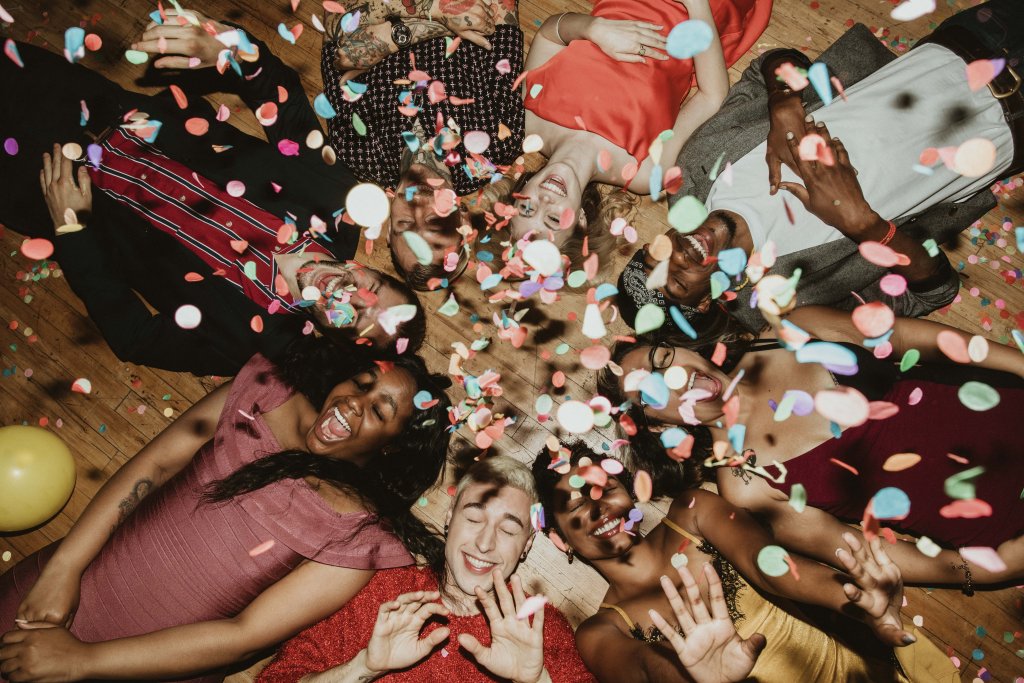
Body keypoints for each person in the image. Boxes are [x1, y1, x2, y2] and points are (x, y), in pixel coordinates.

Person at [0, 336, 452, 682]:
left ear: (393, 447)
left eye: (379, 410)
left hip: (143, 670)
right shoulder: (264, 392)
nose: (355, 401)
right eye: (361, 382)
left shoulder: (361, 539)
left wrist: (83, 661)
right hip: (56, 592)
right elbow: (155, 466)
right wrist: (64, 569)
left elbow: (244, 636)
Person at [1, 23, 423, 377]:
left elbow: (136, 339)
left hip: (38, 188)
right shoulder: (333, 197)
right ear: (366, 268)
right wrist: (235, 50)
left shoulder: (247, 346)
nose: (351, 296)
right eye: (372, 288)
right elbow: (286, 104)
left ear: (337, 339)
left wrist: (74, 230)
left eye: (358, 320)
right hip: (91, 105)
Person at [618, 0, 1024, 337]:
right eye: (675, 282)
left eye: (658, 255)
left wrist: (782, 100)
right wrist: (868, 228)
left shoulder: (696, 163)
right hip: (1014, 135)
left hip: (973, 41)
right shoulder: (794, 300)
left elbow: (773, 65)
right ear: (703, 301)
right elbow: (935, 293)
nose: (678, 256)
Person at [599, 305, 1024, 589]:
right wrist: (986, 570)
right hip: (1006, 518)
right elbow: (863, 551)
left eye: (660, 359)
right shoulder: (745, 487)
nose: (674, 378)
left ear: (676, 345)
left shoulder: (790, 329)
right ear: (657, 426)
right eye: (650, 393)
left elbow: (924, 339)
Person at [531, 442, 961, 683]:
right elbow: (644, 669)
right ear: (561, 539)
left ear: (629, 491)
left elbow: (772, 567)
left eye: (602, 489)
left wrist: (853, 598)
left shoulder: (692, 509)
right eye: (573, 509)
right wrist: (693, 675)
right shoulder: (600, 631)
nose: (597, 509)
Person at [255, 456, 594, 682]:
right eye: (474, 518)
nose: (485, 543)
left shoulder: (541, 626)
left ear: (528, 545)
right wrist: (362, 667)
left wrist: (537, 680)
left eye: (507, 530)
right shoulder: (383, 590)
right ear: (449, 519)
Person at [495, 0, 772, 270]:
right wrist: (695, 4)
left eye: (527, 209)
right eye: (554, 219)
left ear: (520, 191)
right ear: (580, 220)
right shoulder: (641, 174)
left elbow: (549, 34)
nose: (544, 202)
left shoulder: (530, 121)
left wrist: (593, 28)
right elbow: (712, 97)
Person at [321, 0, 524, 289]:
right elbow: (500, 13)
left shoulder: (357, 152)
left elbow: (336, 24)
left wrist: (433, 14)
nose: (417, 208)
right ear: (464, 219)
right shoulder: (498, 145)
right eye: (435, 221)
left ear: (388, 230)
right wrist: (380, 38)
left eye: (405, 225)